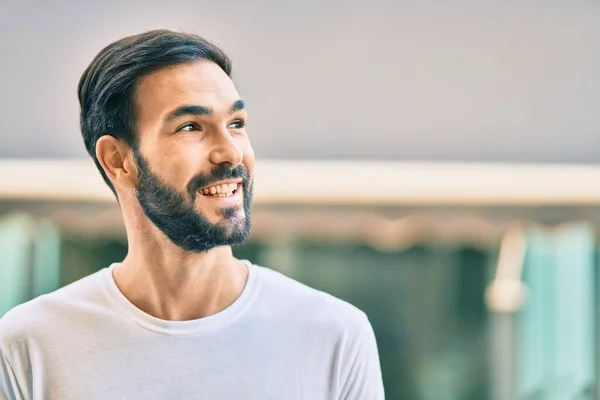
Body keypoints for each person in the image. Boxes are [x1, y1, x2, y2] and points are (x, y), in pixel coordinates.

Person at [0, 30, 384, 399]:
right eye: (190, 127)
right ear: (118, 161)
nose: (231, 153)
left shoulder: (334, 335)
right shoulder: (29, 345)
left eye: (236, 124)